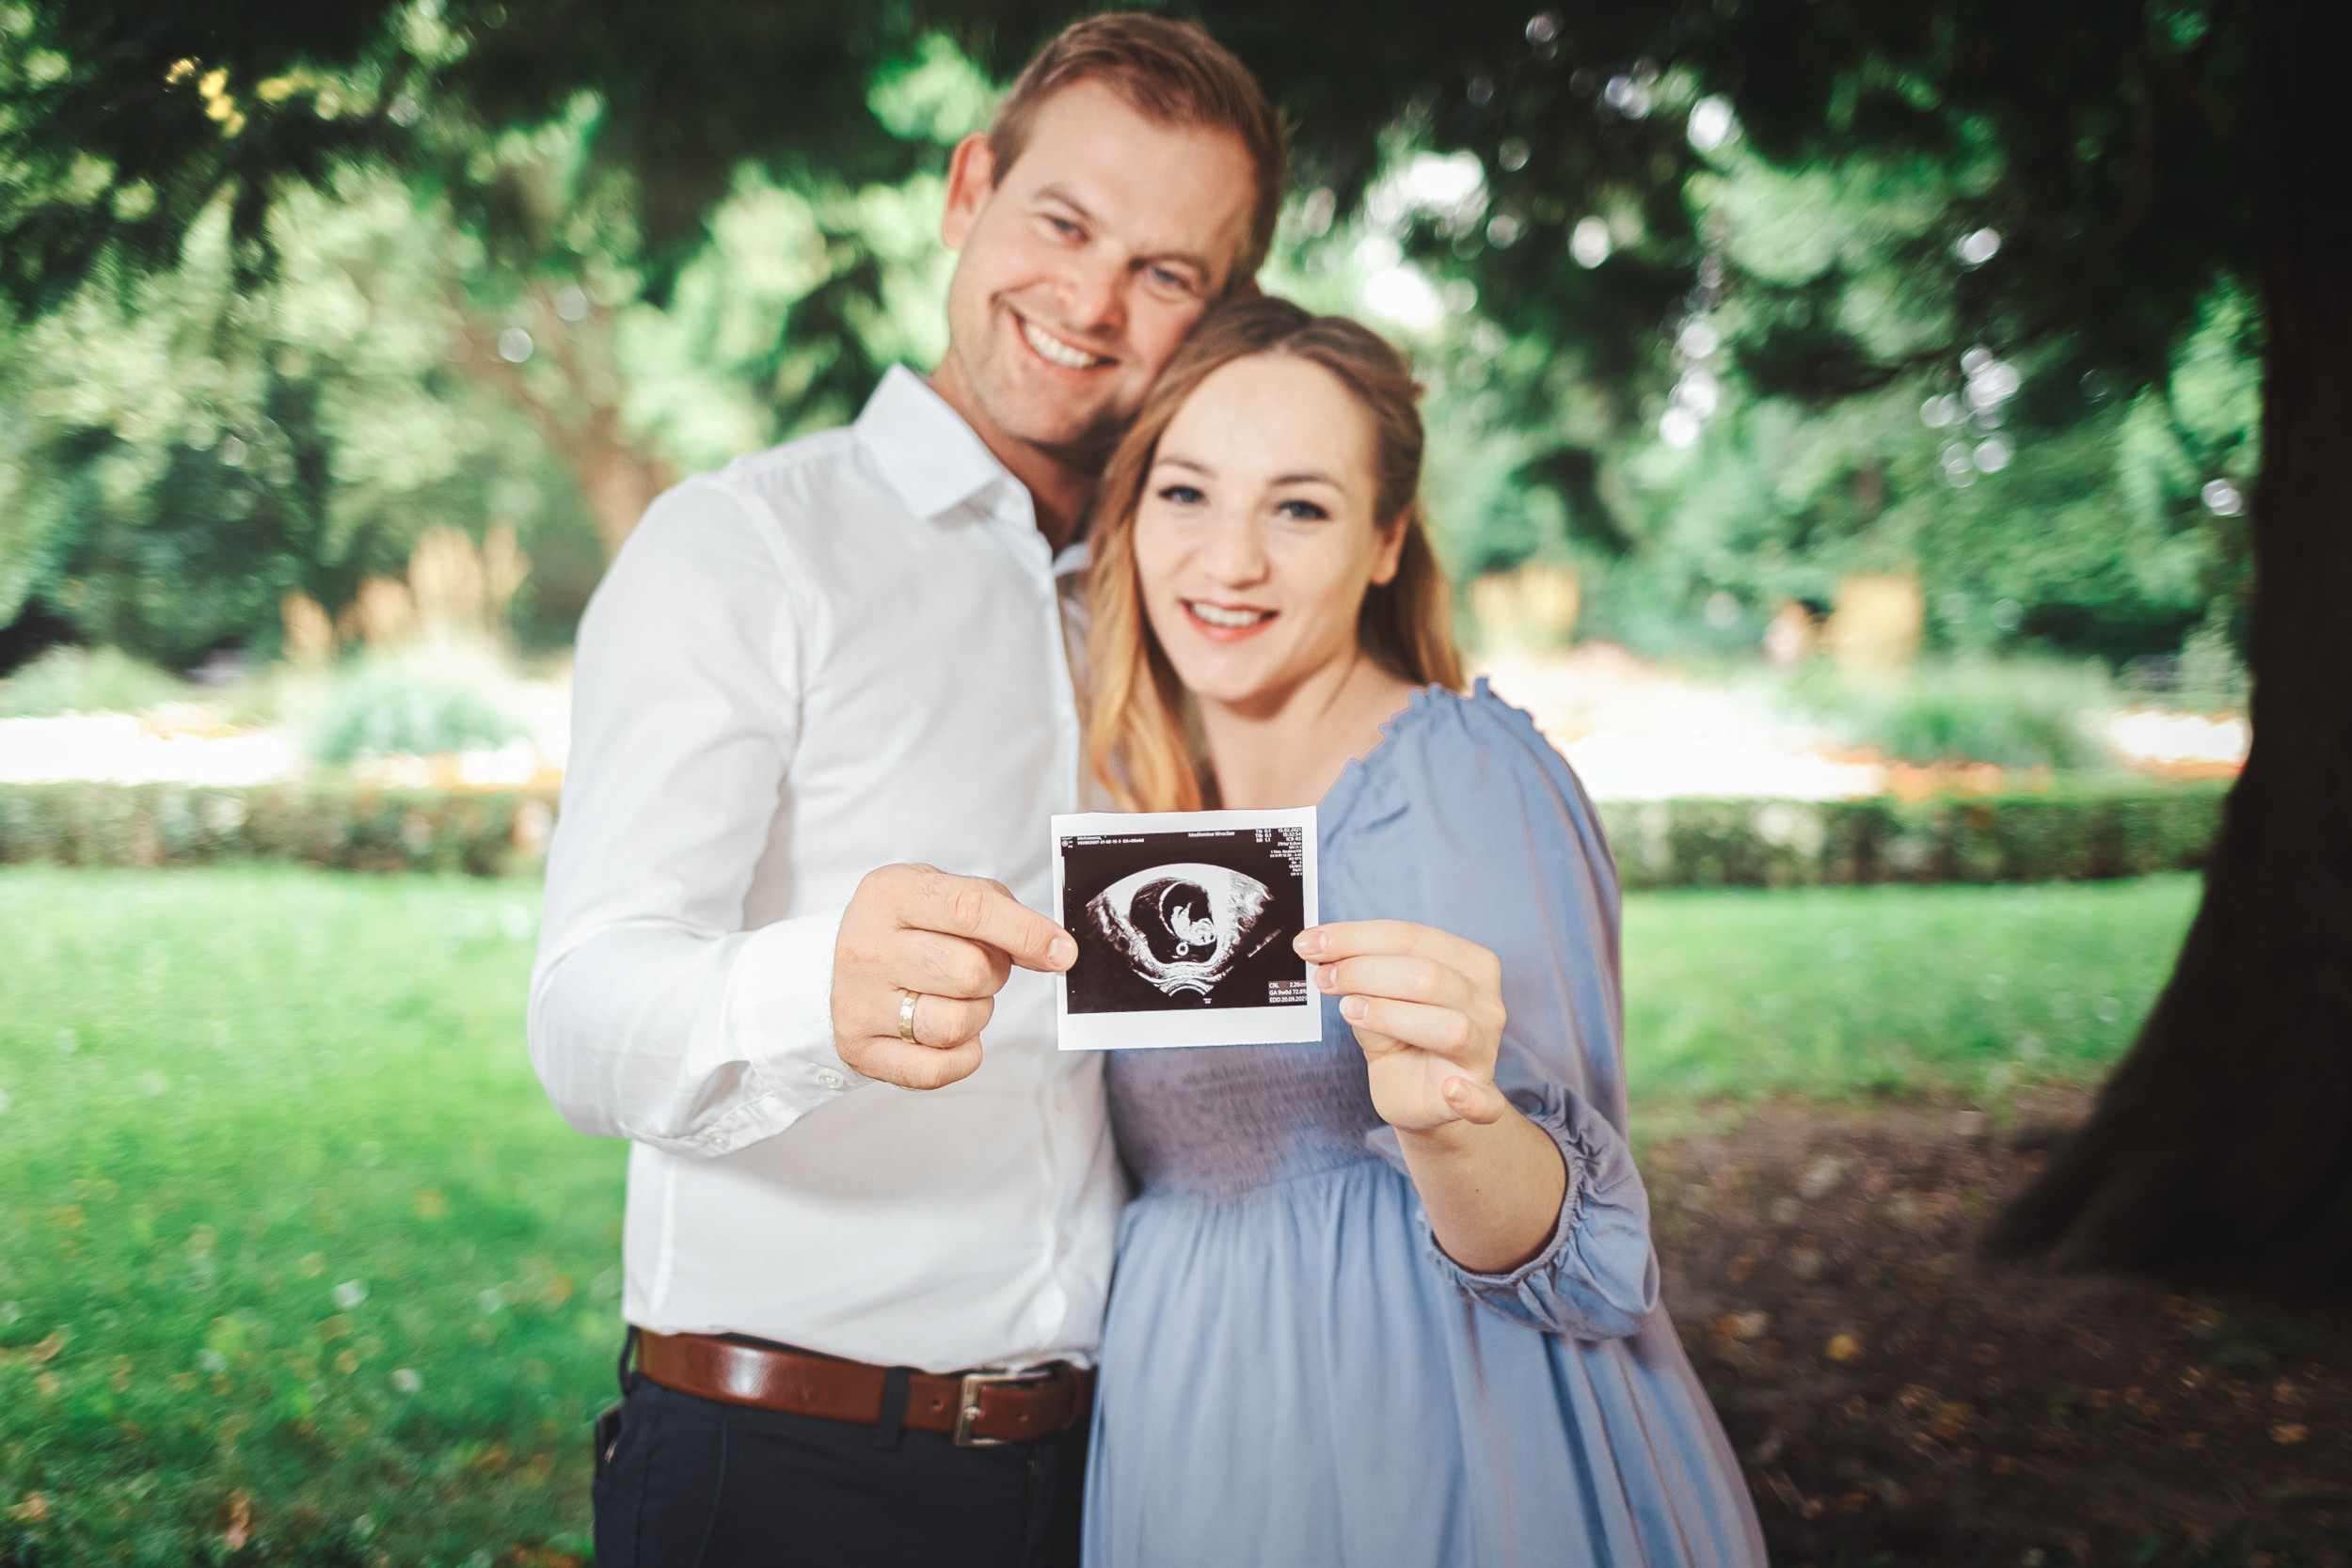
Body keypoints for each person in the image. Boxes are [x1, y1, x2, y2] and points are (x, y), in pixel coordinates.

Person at [526, 18, 1284, 1566]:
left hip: (1119, 1470)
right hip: (786, 1467)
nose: (1087, 301)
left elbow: (1181, 1040)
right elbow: (580, 1020)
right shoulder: (740, 548)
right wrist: (821, 983)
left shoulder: (1180, 608)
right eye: (1063, 224)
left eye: (1166, 272)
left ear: (1219, 315)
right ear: (968, 192)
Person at [1077, 296, 1770, 1566]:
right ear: (1128, 515)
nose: (1230, 562)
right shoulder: (1127, 816)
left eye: (1300, 507)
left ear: (1386, 542)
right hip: (1195, 1449)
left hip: (1447, 1440)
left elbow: (1586, 1258)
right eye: (1186, 494)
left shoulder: (1465, 773)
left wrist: (1450, 1114)